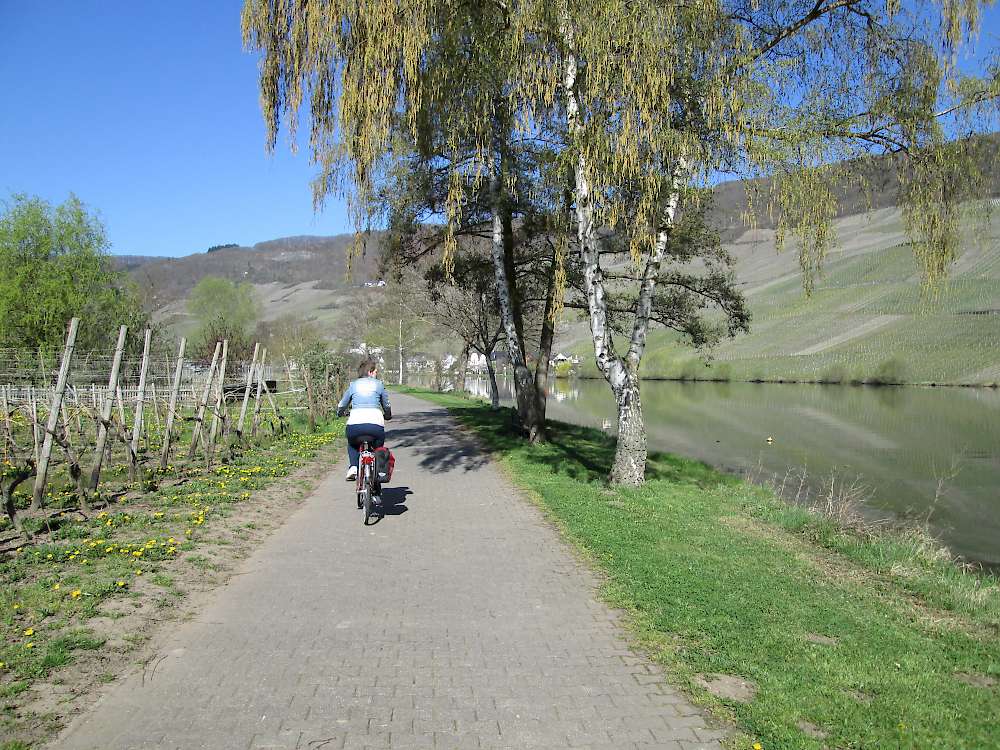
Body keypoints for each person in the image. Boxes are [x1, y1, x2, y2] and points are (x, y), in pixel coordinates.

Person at [336, 359, 391, 481]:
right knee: (378, 447)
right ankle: (377, 472)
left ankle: (353, 467)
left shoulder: (353, 385)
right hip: (375, 426)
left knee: (352, 444)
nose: (377, 374)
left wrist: (339, 413)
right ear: (370, 372)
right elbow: (386, 405)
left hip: (355, 425)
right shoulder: (379, 384)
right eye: (376, 371)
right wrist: (388, 415)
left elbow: (342, 405)